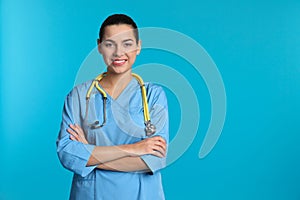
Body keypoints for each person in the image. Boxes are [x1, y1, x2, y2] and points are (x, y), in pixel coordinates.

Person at [56, 14, 169, 200]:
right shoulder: (78, 96)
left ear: (138, 46)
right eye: (110, 44)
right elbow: (68, 154)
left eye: (127, 44)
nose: (118, 53)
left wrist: (90, 153)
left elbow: (155, 158)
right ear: (99, 46)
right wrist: (133, 149)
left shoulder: (153, 95)